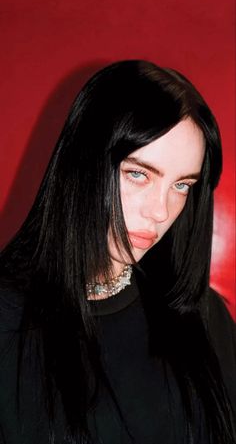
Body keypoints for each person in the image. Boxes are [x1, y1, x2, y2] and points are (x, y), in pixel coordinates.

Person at [0, 60, 235, 444]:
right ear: (84, 164)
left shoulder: (204, 318)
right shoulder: (8, 323)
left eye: (182, 186)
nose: (160, 211)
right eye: (138, 174)